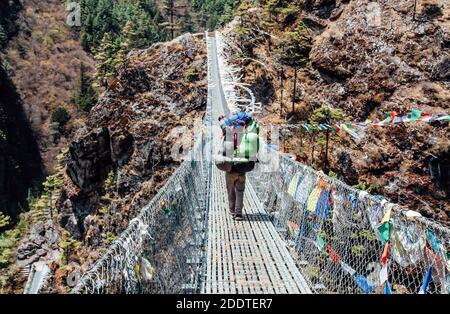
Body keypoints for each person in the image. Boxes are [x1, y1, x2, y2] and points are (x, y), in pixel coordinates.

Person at [215, 112, 259, 221]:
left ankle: (232, 211)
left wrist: (222, 119)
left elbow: (222, 125)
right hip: (242, 167)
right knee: (240, 190)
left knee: (230, 190)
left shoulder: (228, 133)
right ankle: (239, 213)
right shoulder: (245, 136)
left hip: (230, 169)